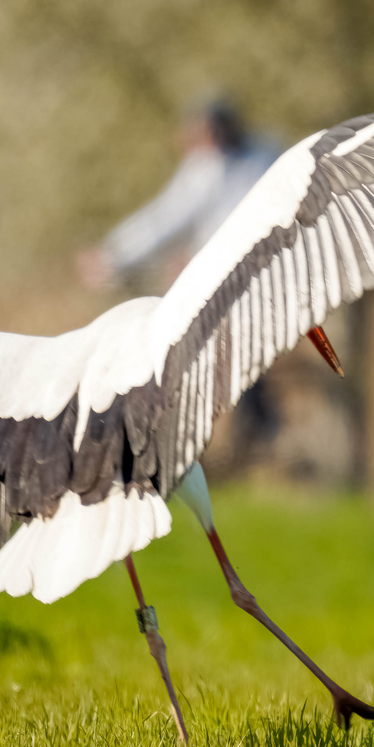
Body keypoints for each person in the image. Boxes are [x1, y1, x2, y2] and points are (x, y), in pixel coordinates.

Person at [77, 96, 282, 474]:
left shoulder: (245, 162)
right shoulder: (259, 155)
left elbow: (169, 220)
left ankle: (246, 420)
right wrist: (115, 254)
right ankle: (254, 420)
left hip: (249, 275)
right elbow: (166, 218)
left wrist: (111, 257)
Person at [75, 97, 279, 290]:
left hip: (233, 272)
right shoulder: (269, 148)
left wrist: (113, 256)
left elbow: (165, 219)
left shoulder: (210, 167)